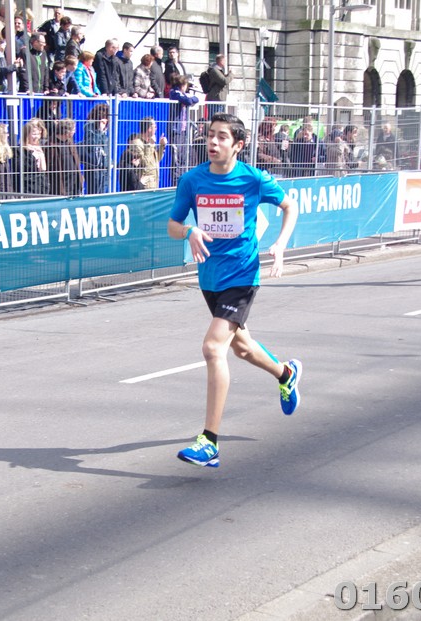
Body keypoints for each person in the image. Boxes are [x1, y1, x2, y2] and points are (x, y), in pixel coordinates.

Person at [167, 112, 302, 468]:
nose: (213, 142)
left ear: (238, 145)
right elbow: (172, 225)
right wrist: (190, 231)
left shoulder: (253, 179)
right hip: (210, 277)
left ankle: (209, 442)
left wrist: (281, 244)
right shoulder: (193, 180)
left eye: (222, 136)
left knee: (213, 347)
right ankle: (286, 374)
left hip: (242, 275)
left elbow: (289, 206)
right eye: (210, 135)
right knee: (241, 348)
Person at [169, 75, 199, 183]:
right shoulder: (174, 93)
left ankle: (183, 179)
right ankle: (176, 181)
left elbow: (196, 99)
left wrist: (190, 98)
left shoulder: (183, 94)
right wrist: (189, 99)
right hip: (176, 131)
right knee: (176, 157)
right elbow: (188, 101)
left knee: (184, 156)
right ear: (182, 85)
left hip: (184, 131)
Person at [79, 103, 110, 195]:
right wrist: (100, 130)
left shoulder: (104, 128)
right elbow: (92, 144)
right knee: (95, 193)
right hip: (94, 166)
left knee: (103, 192)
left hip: (104, 165)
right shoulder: (89, 126)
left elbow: (105, 145)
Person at [47, 118, 83, 196]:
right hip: (60, 185)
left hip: (74, 184)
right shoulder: (51, 145)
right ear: (67, 132)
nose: (74, 132)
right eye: (73, 130)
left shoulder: (70, 142)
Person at [20, 119, 50, 195]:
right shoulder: (21, 150)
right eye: (34, 134)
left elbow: (44, 169)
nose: (36, 137)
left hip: (42, 185)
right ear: (26, 135)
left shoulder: (42, 147)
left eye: (38, 134)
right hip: (28, 187)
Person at [136, 116, 167, 189]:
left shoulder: (150, 141)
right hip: (144, 185)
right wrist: (150, 145)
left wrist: (162, 146)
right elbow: (145, 163)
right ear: (149, 129)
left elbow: (156, 159)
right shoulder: (138, 143)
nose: (156, 128)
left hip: (153, 183)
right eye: (155, 126)